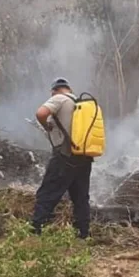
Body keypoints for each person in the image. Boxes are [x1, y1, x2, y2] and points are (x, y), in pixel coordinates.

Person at [31, 78, 92, 239]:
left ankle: (35, 231)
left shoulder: (59, 98)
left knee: (47, 193)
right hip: (84, 157)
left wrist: (46, 126)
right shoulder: (81, 103)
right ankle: (83, 234)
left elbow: (40, 113)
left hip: (64, 157)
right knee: (81, 197)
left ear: (54, 91)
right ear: (69, 89)